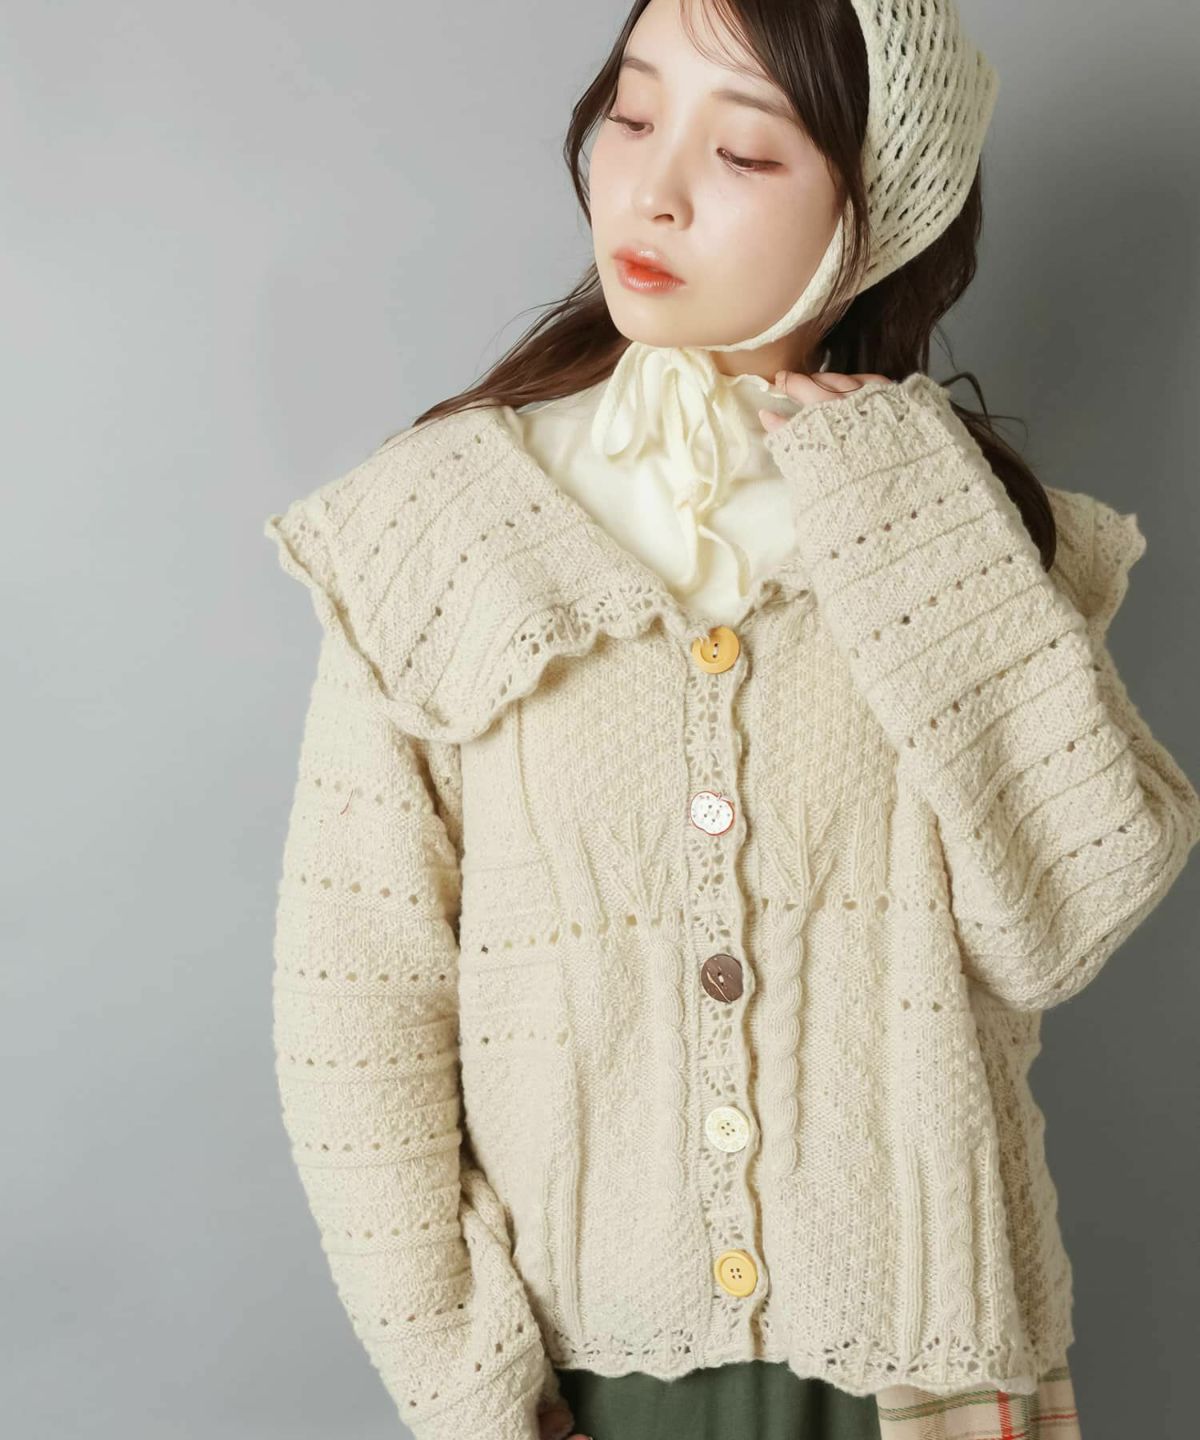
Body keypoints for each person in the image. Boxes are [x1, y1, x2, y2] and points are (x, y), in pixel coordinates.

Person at [261, 2, 1200, 1437]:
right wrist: (465, 1388)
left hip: (936, 1373)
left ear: (875, 214)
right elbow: (356, 1010)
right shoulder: (438, 532)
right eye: (633, 115)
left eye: (745, 152)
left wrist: (906, 504)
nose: (652, 189)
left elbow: (1058, 921)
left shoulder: (967, 536)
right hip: (586, 1381)